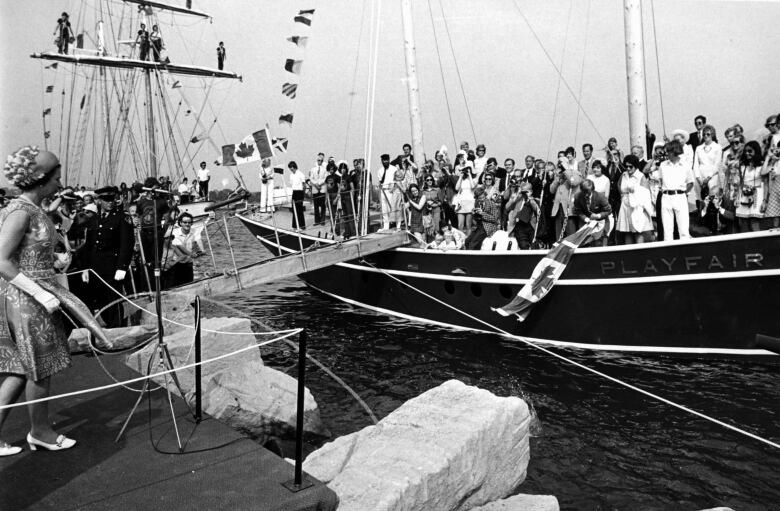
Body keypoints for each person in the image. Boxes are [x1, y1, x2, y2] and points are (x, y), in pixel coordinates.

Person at [0, 146, 105, 455]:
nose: (60, 184)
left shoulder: (31, 209)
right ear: (42, 180)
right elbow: (2, 260)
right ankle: (40, 431)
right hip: (26, 299)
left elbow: (25, 253)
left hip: (28, 292)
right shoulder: (21, 212)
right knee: (39, 368)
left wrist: (53, 262)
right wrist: (41, 293)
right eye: (57, 178)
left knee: (19, 371)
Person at [77, 186, 134, 326]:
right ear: (99, 201)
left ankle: (118, 330)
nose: (110, 203)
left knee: (113, 301)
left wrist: (122, 267)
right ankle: (109, 329)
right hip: (96, 267)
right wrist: (85, 267)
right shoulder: (94, 220)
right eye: (106, 200)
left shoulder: (122, 218)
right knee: (100, 300)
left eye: (112, 199)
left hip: (113, 267)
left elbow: (127, 244)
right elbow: (89, 246)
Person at [659, 140, 695, 241]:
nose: (666, 154)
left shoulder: (685, 165)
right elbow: (660, 181)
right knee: (667, 231)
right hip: (666, 197)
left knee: (683, 230)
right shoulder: (663, 165)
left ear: (674, 151)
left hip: (680, 196)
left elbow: (691, 182)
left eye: (668, 152)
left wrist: (683, 193)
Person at [615, 155, 654, 244]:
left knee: (638, 231)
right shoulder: (623, 175)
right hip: (625, 206)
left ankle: (639, 253)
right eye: (626, 166)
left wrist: (635, 190)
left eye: (630, 166)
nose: (628, 168)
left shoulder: (641, 176)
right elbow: (619, 185)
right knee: (627, 231)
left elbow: (646, 193)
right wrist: (623, 196)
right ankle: (629, 255)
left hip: (637, 207)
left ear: (635, 166)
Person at [734, 141, 766, 232]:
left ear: (756, 151)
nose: (747, 153)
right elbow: (740, 183)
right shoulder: (742, 166)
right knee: (743, 223)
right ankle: (747, 246)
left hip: (757, 195)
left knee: (754, 222)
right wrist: (737, 198)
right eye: (745, 151)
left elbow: (766, 184)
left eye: (750, 151)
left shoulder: (761, 165)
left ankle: (759, 246)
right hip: (744, 195)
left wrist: (764, 201)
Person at [165, 213, 203, 287]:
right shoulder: (174, 233)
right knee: (174, 286)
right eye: (185, 222)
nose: (187, 224)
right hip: (176, 264)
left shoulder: (195, 231)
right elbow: (180, 247)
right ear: (180, 223)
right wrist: (191, 254)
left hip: (188, 264)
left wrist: (202, 250)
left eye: (189, 222)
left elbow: (199, 240)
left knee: (189, 285)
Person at [572, 178, 612, 246]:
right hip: (586, 224)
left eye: (588, 192)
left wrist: (598, 215)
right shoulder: (577, 196)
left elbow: (609, 211)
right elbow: (578, 211)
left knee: (599, 244)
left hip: (601, 223)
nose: (586, 195)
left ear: (592, 190)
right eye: (584, 192)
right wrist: (586, 219)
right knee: (585, 243)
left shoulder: (600, 196)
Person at [506, 181, 540, 249]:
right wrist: (515, 197)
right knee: (523, 245)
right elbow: (507, 207)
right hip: (519, 226)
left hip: (531, 226)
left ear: (531, 191)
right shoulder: (518, 200)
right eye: (523, 192)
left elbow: (537, 210)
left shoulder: (535, 200)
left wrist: (530, 199)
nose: (524, 194)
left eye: (526, 192)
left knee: (534, 246)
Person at [761, 140, 780, 228]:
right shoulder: (775, 162)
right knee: (775, 214)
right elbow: (763, 172)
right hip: (776, 189)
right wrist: (768, 157)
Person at [308, 153, 327, 225]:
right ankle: (317, 221)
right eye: (318, 160)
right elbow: (311, 178)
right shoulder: (313, 169)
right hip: (315, 188)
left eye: (321, 160)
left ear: (322, 161)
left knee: (322, 205)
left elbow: (325, 178)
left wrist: (319, 184)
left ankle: (322, 220)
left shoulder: (325, 169)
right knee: (316, 206)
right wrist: (316, 184)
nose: (319, 161)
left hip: (322, 188)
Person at [288, 161, 307, 229]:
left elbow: (304, 185)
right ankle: (295, 226)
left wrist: (303, 195)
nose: (291, 169)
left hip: (300, 192)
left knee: (299, 210)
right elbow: (292, 185)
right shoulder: (291, 175)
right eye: (290, 167)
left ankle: (302, 226)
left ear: (295, 166)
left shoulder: (300, 174)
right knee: (294, 209)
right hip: (294, 192)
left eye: (292, 167)